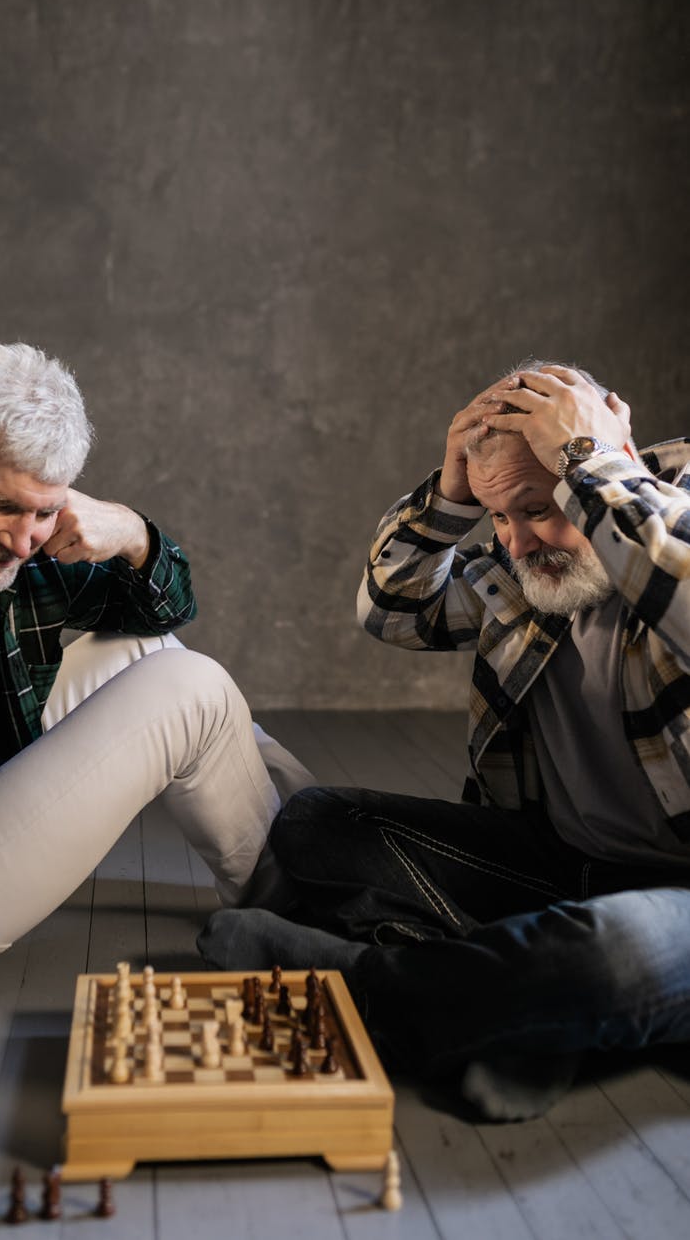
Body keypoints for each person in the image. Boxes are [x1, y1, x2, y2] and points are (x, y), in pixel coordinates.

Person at [199, 360, 690, 1121]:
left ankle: (368, 992)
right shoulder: (531, 562)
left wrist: (590, 467)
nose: (520, 544)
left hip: (676, 901)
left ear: (603, 452)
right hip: (558, 869)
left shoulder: (667, 507)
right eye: (500, 518)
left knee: (615, 954)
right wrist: (451, 497)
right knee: (319, 825)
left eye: (537, 509)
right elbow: (391, 607)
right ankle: (515, 1010)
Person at [0, 341, 313, 1050]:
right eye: (0, 505)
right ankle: (306, 921)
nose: (24, 542)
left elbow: (163, 611)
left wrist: (134, 535)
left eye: (46, 512)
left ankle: (323, 859)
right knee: (192, 689)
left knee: (144, 652)